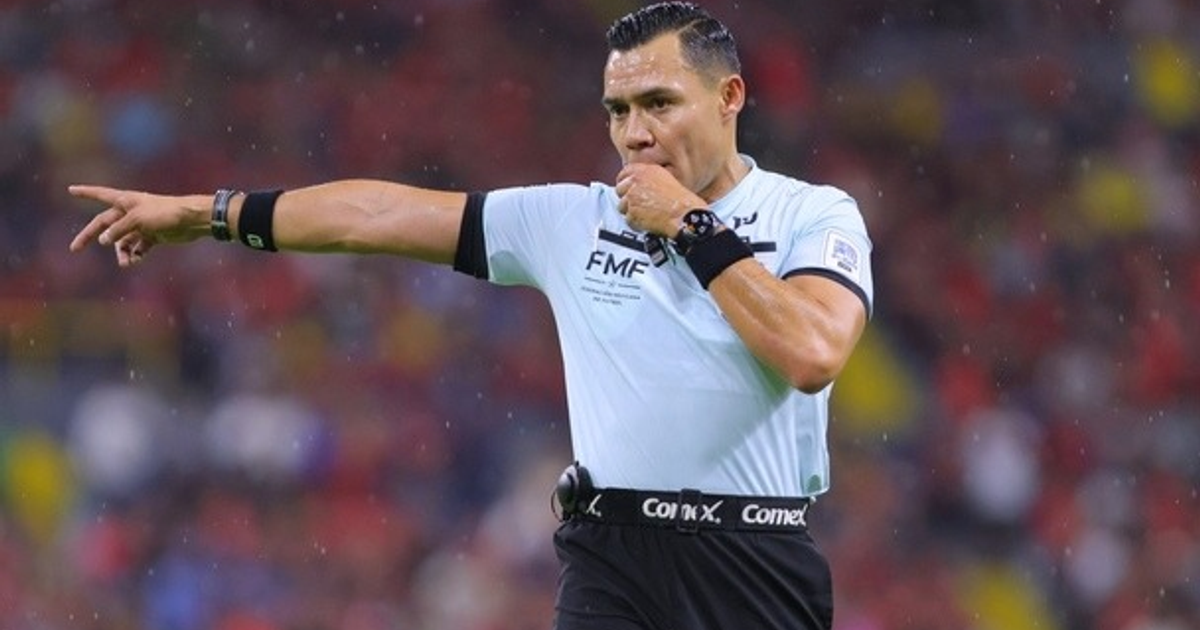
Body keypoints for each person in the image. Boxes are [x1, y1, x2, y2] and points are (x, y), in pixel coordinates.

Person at [68, 3, 873, 629]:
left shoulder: (813, 215)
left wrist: (689, 225)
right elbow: (376, 216)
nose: (635, 134)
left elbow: (811, 352)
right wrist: (207, 213)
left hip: (755, 557)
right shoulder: (572, 219)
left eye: (659, 103)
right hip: (613, 557)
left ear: (729, 97)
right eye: (617, 110)